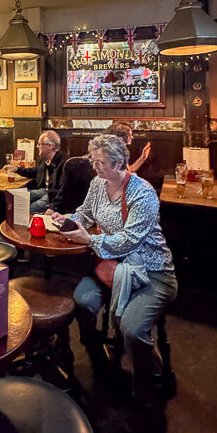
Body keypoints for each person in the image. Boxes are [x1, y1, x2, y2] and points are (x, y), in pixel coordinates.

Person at [47, 134, 177, 406]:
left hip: (151, 271)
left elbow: (128, 240)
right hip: (111, 266)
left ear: (119, 164)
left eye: (100, 163)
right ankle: (97, 352)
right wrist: (67, 219)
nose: (94, 168)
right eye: (93, 162)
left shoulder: (143, 192)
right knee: (82, 302)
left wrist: (89, 240)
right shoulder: (98, 184)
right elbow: (85, 213)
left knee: (131, 328)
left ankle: (145, 384)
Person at [6, 130, 66, 213]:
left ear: (50, 146)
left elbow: (63, 190)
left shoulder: (64, 163)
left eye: (40, 144)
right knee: (15, 198)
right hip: (43, 190)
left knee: (26, 210)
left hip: (53, 195)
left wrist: (52, 208)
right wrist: (17, 169)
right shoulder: (44, 158)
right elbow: (36, 171)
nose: (37, 146)